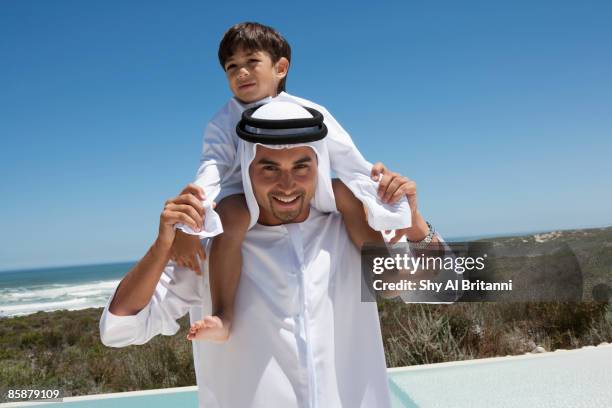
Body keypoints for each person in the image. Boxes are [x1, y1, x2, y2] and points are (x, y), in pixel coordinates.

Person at [100, 101, 447, 407]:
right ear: (248, 169)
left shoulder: (349, 231)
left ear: (319, 167)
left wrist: (414, 223)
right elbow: (120, 330)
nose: (286, 184)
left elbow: (450, 283)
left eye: (301, 166)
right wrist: (161, 246)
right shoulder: (211, 247)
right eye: (269, 168)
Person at [171, 21, 412, 342]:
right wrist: (189, 227)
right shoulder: (222, 122)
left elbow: (348, 158)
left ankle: (388, 273)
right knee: (231, 216)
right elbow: (209, 173)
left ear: (280, 67)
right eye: (232, 67)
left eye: (251, 62)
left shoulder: (311, 111)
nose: (241, 73)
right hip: (245, 198)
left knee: (346, 194)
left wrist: (382, 190)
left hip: (313, 191)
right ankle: (224, 315)